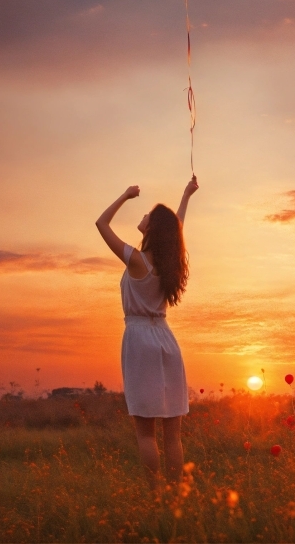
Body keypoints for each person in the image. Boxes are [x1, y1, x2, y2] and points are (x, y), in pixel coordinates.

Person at [95, 177, 199, 490]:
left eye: (147, 217)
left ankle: (155, 495)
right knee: (173, 436)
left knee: (145, 433)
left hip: (140, 341)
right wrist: (186, 194)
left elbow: (101, 223)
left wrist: (125, 195)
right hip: (167, 341)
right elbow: (176, 227)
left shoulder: (137, 261)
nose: (143, 218)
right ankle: (176, 496)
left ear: (152, 229)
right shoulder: (168, 264)